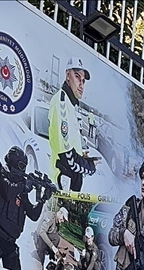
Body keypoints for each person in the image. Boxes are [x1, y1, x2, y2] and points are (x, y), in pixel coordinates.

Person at [0, 146, 48, 270]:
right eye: (21, 165)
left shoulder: (20, 187)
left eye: (25, 166)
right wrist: (24, 185)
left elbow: (33, 214)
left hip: (10, 244)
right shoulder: (2, 175)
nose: (23, 169)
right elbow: (8, 190)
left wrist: (43, 199)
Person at [49, 57, 98, 192]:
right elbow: (67, 157)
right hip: (60, 188)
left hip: (68, 187)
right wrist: (89, 166)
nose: (81, 84)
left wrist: (83, 156)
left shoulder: (70, 105)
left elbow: (70, 148)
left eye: (83, 81)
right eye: (77, 77)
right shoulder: (62, 103)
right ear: (67, 75)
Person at [35, 206, 69, 270]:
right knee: (56, 238)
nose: (62, 221)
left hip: (45, 241)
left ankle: (49, 256)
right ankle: (44, 255)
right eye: (63, 218)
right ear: (60, 213)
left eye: (64, 220)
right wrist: (52, 247)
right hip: (39, 240)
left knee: (56, 238)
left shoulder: (57, 223)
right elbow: (41, 232)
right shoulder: (50, 216)